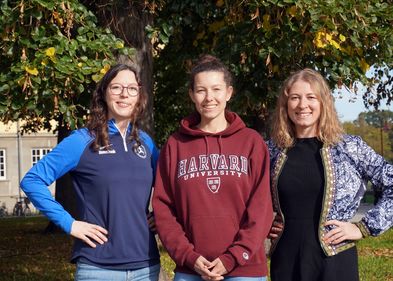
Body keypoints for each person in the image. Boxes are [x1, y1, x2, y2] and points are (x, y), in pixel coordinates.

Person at [20, 64, 160, 281]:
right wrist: (70, 223)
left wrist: (162, 217)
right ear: (104, 93)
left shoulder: (146, 143)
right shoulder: (83, 140)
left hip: (146, 266)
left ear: (139, 95)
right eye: (116, 87)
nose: (125, 94)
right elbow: (32, 180)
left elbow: (172, 186)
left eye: (132, 88)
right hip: (98, 268)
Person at [152, 55, 273, 281]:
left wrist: (233, 257)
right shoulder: (175, 145)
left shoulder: (251, 142)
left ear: (228, 93)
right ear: (192, 95)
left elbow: (262, 208)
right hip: (191, 270)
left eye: (216, 89)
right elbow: (164, 208)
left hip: (243, 270)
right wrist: (188, 257)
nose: (209, 98)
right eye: (201, 90)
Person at [267, 68, 393, 281]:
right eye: (295, 98)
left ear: (323, 102)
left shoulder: (349, 148)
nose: (302, 105)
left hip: (334, 260)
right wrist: (264, 223)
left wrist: (363, 228)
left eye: (311, 97)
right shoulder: (271, 151)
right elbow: (245, 194)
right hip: (286, 259)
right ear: (285, 105)